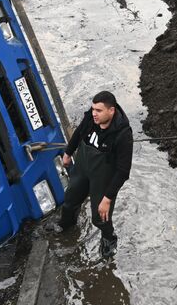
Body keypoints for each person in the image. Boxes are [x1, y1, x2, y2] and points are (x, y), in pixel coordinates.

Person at [57, 90, 134, 258]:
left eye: (98, 110)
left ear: (111, 111)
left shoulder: (123, 135)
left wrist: (107, 198)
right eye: (93, 109)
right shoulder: (91, 118)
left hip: (103, 177)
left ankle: (109, 239)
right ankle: (66, 224)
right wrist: (68, 153)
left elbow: (123, 172)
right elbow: (78, 133)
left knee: (100, 217)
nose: (94, 114)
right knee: (70, 198)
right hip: (83, 167)